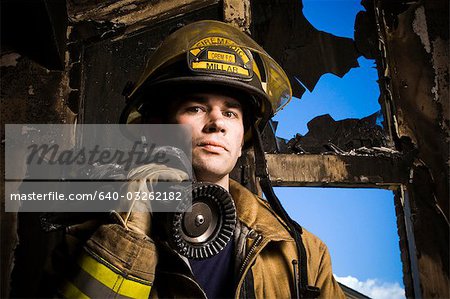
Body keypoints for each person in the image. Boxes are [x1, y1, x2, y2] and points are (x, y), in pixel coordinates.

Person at [58, 20, 345, 298]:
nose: (217, 123)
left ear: (243, 136)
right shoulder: (87, 235)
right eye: (196, 108)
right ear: (158, 126)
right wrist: (129, 237)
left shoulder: (301, 252)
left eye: (231, 113)